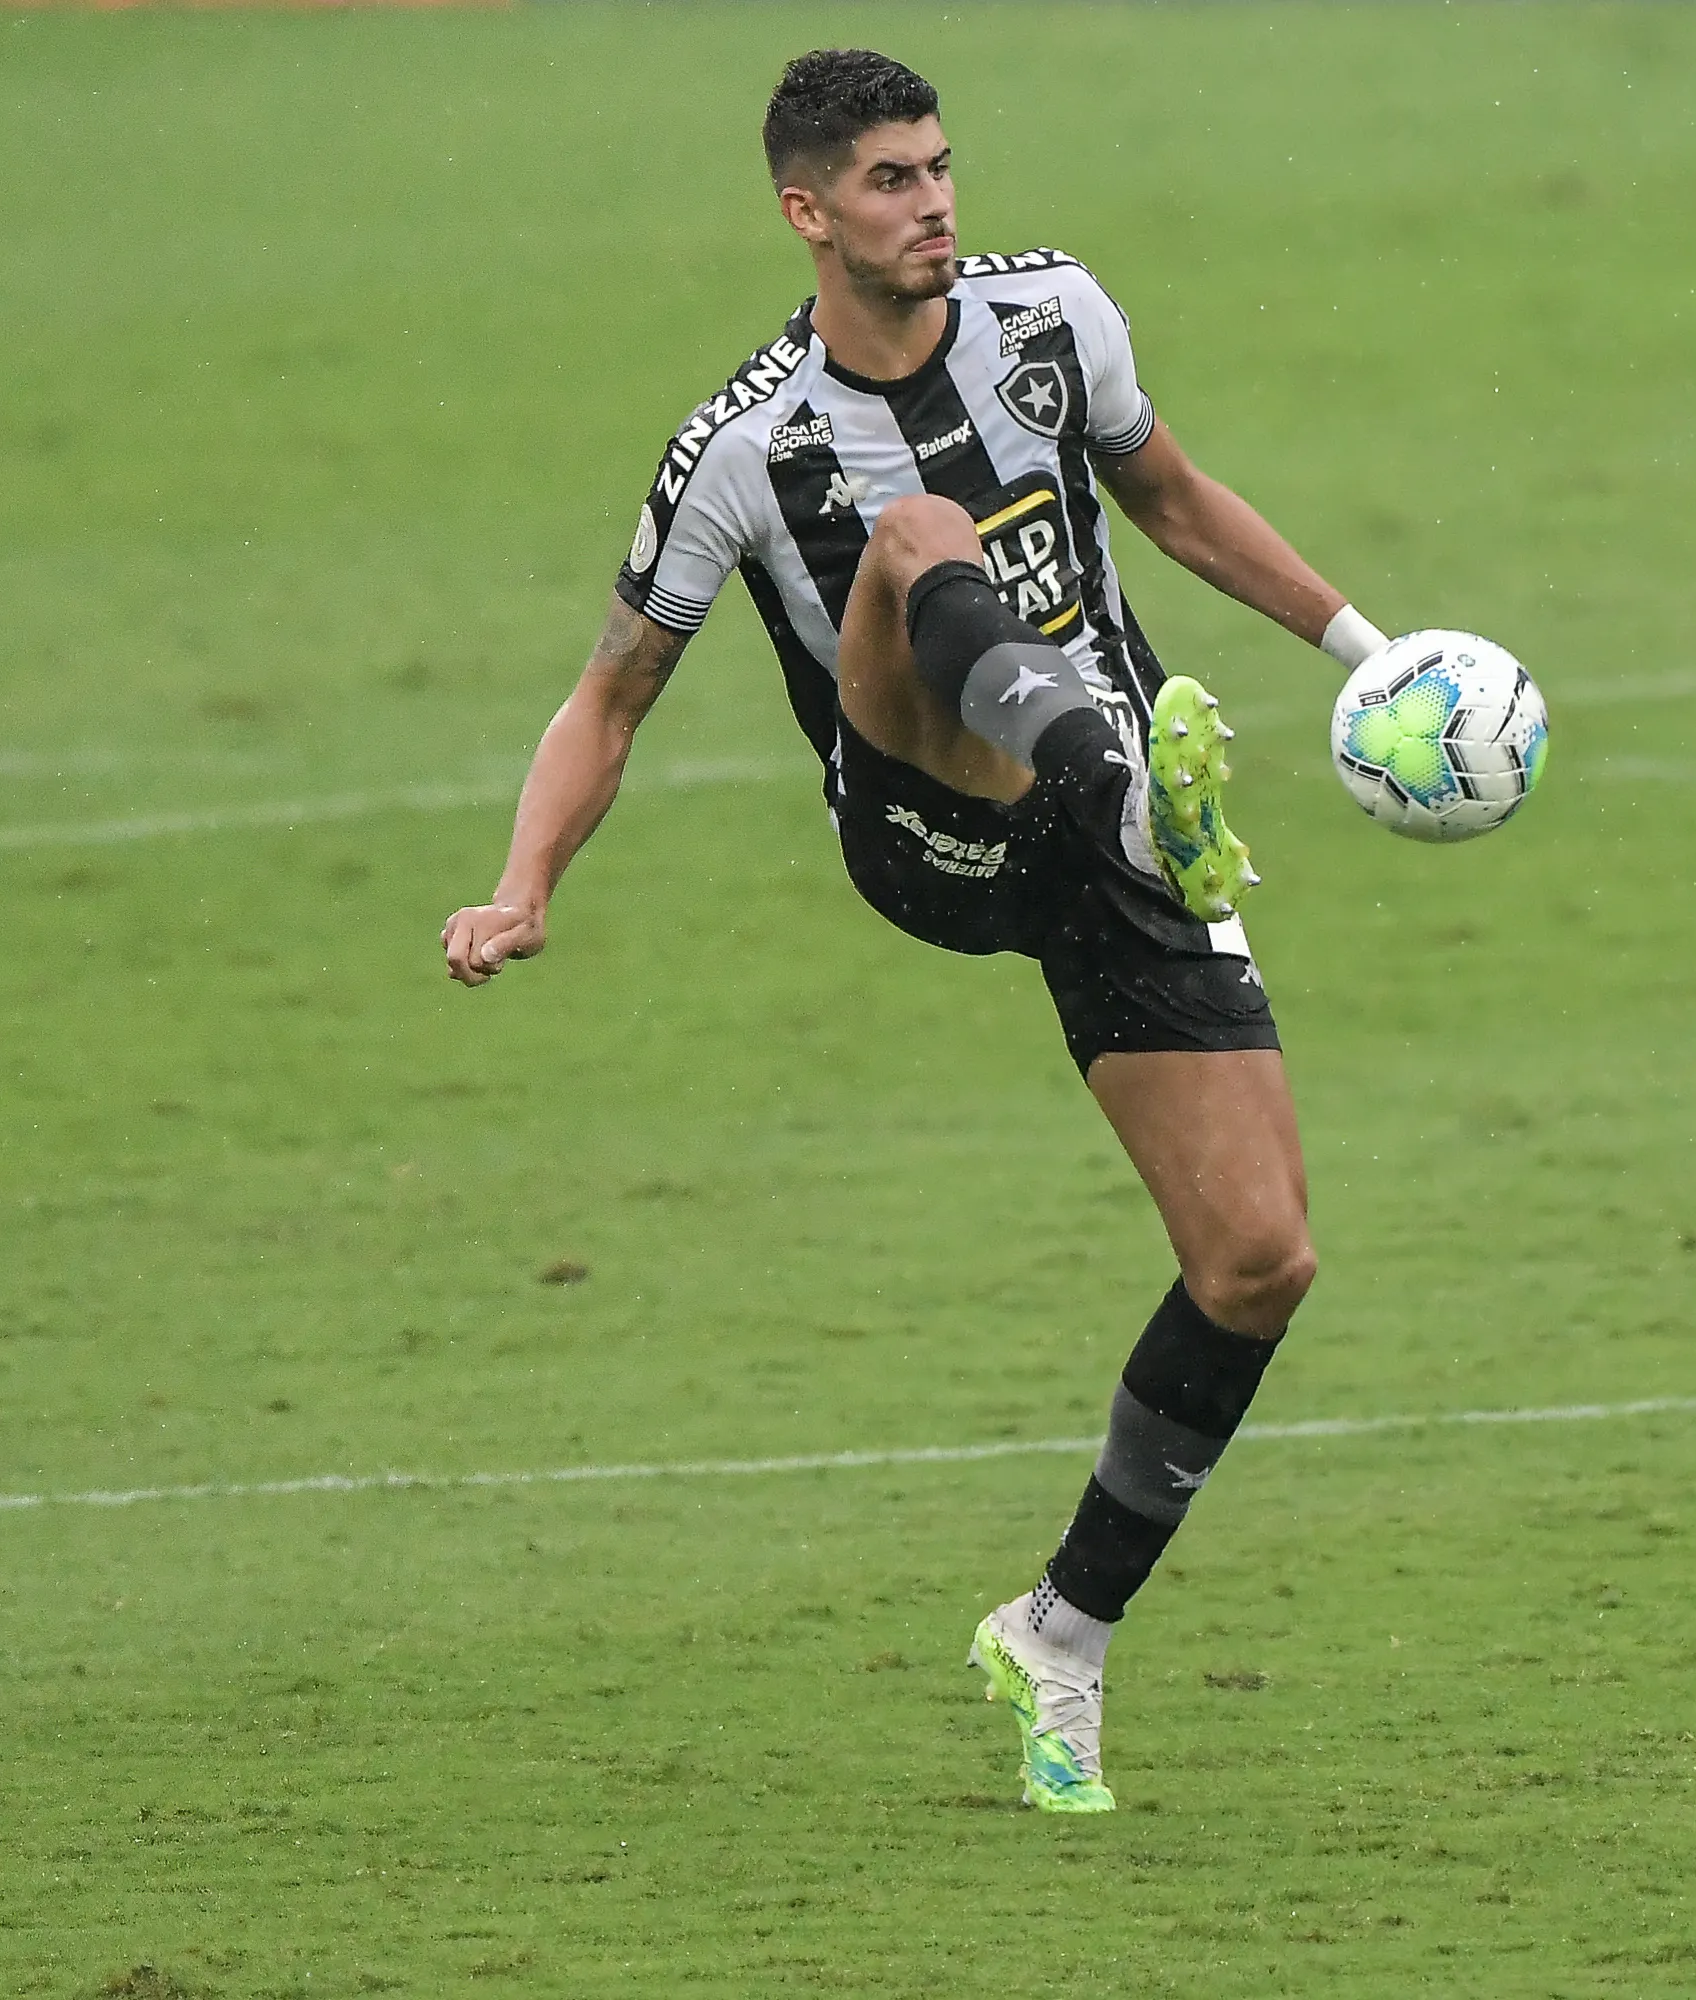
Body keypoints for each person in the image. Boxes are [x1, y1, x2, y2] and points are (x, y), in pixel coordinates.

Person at [438, 49, 1394, 1813]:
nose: (935, 201)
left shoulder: (1056, 319)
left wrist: (1372, 654)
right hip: (926, 821)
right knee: (914, 534)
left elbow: (1169, 501)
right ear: (808, 212)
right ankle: (1120, 779)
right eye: (890, 179)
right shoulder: (747, 445)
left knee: (1260, 1262)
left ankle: (1060, 1633)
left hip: (1122, 859)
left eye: (942, 167)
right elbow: (611, 699)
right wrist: (526, 884)